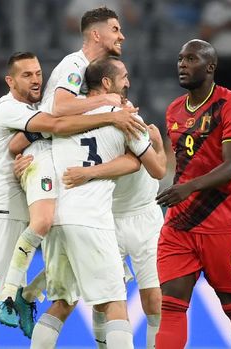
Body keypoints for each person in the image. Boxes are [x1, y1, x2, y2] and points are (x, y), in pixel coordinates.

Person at [0, 51, 143, 349]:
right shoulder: (8, 109)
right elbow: (52, 126)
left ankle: (23, 295)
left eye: (38, 73)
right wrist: (110, 109)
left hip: (22, 209)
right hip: (0, 210)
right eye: (27, 75)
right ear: (10, 80)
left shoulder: (36, 110)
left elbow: (39, 135)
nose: (36, 79)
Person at [0, 6, 131, 335]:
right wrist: (108, 105)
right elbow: (60, 109)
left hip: (62, 164)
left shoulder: (99, 72)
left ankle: (27, 293)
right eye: (114, 29)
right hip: (42, 153)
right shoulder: (74, 65)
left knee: (67, 275)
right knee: (45, 222)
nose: (121, 35)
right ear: (96, 34)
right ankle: (9, 295)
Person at [27, 56, 165, 349]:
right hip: (97, 218)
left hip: (61, 218)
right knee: (114, 303)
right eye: (124, 76)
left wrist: (22, 163)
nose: (128, 82)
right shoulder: (125, 117)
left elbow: (23, 143)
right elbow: (157, 168)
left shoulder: (62, 124)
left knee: (65, 302)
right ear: (106, 83)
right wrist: (160, 146)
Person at [155, 39, 231, 349]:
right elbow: (180, 165)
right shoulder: (174, 110)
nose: (182, 64)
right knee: (172, 306)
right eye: (180, 58)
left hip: (222, 222)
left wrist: (187, 188)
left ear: (210, 67)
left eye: (190, 59)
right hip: (180, 225)